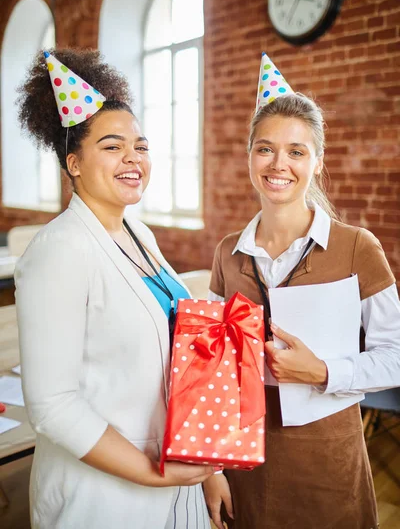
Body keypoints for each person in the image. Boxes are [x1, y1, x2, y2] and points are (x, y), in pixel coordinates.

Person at [15, 48, 213, 529]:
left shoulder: (138, 234)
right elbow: (53, 406)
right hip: (105, 500)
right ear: (74, 164)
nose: (133, 158)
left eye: (140, 146)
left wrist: (206, 477)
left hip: (175, 478)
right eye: (111, 145)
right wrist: (157, 475)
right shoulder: (57, 252)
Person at [203, 53, 400, 529]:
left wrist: (321, 370)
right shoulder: (229, 253)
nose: (278, 164)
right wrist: (208, 471)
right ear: (249, 155)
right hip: (243, 462)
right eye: (265, 148)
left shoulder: (356, 248)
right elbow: (209, 372)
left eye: (296, 151)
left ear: (316, 162)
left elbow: (396, 354)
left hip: (327, 464)